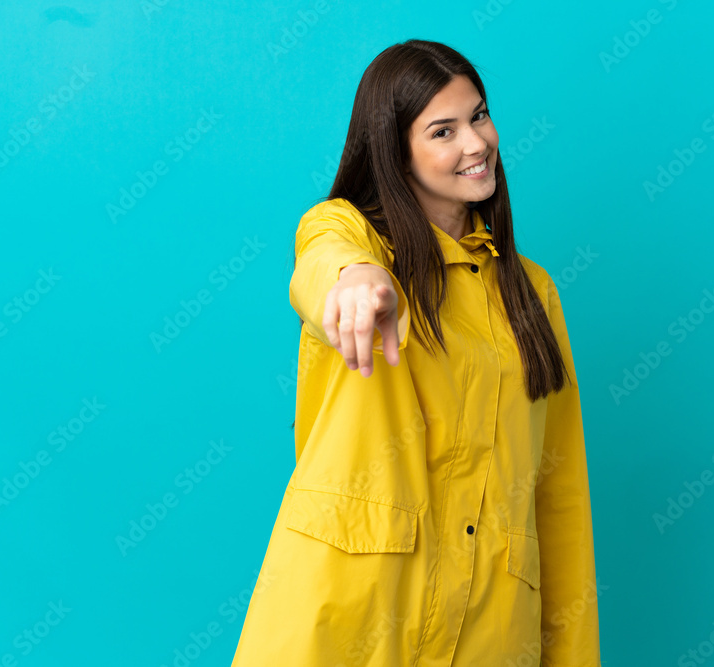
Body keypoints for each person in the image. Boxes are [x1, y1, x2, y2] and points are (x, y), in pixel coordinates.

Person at [230, 39, 601, 667]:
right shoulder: (355, 245)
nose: (477, 143)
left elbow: (560, 496)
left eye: (479, 116)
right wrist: (354, 277)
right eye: (443, 130)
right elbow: (322, 247)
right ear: (393, 151)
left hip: (493, 633)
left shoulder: (533, 294)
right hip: (349, 619)